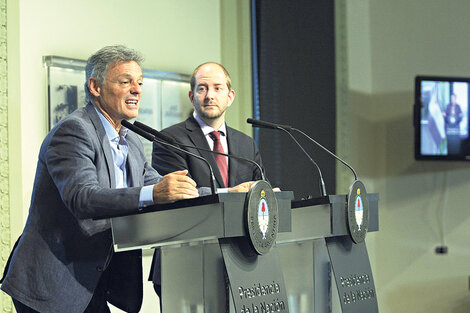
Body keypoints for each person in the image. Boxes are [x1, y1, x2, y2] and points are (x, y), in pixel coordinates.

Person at [0, 45, 208, 313]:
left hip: (92, 280)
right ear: (95, 87)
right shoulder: (74, 131)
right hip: (52, 280)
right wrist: (153, 194)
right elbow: (83, 198)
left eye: (140, 83)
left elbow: (168, 188)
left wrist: (228, 195)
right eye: (126, 82)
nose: (137, 90)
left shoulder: (131, 140)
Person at [150, 62, 265, 300]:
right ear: (192, 96)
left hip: (240, 262)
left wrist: (267, 194)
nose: (210, 95)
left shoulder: (246, 144)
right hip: (185, 263)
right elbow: (177, 200)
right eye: (202, 88)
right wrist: (230, 194)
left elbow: (258, 191)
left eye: (217, 88)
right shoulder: (169, 139)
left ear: (230, 96)